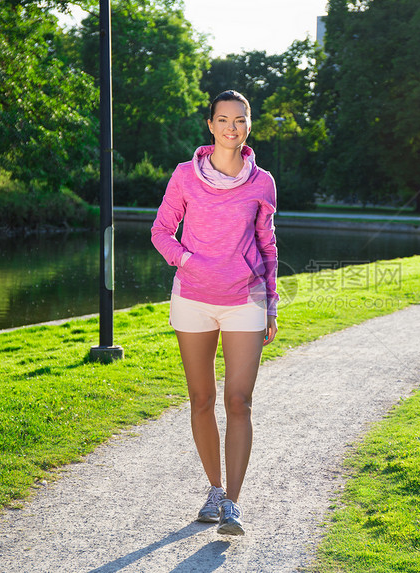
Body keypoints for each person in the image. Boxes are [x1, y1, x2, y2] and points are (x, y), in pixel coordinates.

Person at [151, 90, 279, 536]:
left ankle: (233, 505)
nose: (232, 127)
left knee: (239, 401)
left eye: (240, 120)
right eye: (223, 119)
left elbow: (268, 246)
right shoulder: (185, 176)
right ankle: (213, 489)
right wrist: (187, 262)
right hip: (194, 300)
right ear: (210, 125)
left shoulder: (262, 182)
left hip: (246, 300)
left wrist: (272, 305)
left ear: (249, 124)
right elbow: (161, 231)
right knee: (202, 399)